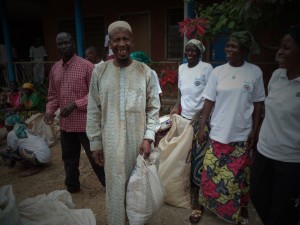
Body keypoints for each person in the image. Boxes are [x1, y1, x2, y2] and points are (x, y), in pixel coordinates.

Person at [86, 21, 160, 225]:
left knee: (137, 189)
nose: (121, 44)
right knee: (115, 189)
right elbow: (93, 109)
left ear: (132, 41)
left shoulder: (145, 72)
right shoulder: (99, 72)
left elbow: (153, 108)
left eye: (125, 39)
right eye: (116, 39)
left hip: (138, 145)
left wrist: (148, 137)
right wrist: (95, 143)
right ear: (109, 43)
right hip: (110, 146)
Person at [197, 31, 265, 224]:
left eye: (233, 46)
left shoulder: (254, 72)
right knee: (210, 172)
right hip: (218, 133)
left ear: (243, 50)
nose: (228, 49)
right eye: (227, 45)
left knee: (239, 176)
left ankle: (242, 208)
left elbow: (258, 104)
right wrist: (202, 127)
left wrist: (255, 130)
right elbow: (208, 102)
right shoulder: (218, 72)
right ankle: (203, 204)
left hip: (241, 134)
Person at [250, 24, 300, 225]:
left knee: (282, 213)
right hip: (264, 154)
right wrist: (256, 137)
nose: (280, 52)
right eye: (280, 47)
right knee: (258, 200)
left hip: (290, 162)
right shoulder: (276, 76)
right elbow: (268, 113)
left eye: (286, 48)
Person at [44, 32, 105, 193]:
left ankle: (108, 185)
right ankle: (72, 186)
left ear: (73, 43)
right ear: (57, 46)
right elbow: (53, 95)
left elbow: (96, 95)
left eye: (67, 43)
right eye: (60, 43)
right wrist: (49, 110)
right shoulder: (55, 69)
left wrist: (75, 104)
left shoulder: (87, 66)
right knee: (69, 159)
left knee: (96, 157)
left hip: (86, 124)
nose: (64, 46)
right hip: (66, 125)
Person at [169, 39, 213, 223]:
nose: (190, 53)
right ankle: (184, 192)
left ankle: (198, 203)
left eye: (193, 50)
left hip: (200, 121)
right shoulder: (181, 68)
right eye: (187, 50)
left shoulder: (207, 68)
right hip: (184, 120)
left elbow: (211, 95)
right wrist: (176, 105)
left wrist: (201, 118)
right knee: (184, 158)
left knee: (198, 161)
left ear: (200, 52)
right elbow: (182, 92)